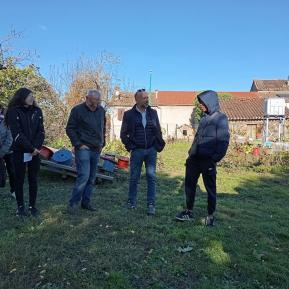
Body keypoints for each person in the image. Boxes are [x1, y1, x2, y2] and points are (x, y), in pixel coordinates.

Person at [176, 90, 230, 226]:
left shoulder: (221, 118)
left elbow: (224, 141)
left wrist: (214, 159)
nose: (200, 105)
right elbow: (197, 138)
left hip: (208, 161)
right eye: (200, 103)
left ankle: (210, 216)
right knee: (189, 185)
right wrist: (190, 155)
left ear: (210, 102)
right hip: (194, 160)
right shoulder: (204, 119)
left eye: (203, 103)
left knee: (210, 188)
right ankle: (188, 211)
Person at [120, 88, 165, 216]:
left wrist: (157, 145)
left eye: (147, 97)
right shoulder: (129, 114)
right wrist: (130, 146)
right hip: (137, 151)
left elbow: (158, 130)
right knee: (134, 177)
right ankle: (131, 202)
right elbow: (123, 134)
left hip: (151, 150)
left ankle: (151, 204)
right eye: (144, 98)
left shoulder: (153, 113)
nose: (147, 100)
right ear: (137, 99)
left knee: (151, 177)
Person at [6, 88, 45, 217]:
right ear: (21, 97)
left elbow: (41, 132)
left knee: (33, 179)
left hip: (35, 151)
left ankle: (32, 207)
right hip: (19, 151)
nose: (32, 98)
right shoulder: (13, 112)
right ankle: (20, 207)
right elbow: (17, 134)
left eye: (32, 95)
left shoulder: (37, 111)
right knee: (19, 179)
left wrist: (36, 148)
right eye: (29, 95)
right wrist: (30, 148)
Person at [66, 89, 106, 214]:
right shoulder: (77, 110)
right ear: (88, 98)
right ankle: (73, 204)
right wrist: (78, 144)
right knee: (84, 175)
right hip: (83, 148)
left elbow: (103, 127)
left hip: (96, 148)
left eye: (99, 100)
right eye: (96, 100)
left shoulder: (101, 111)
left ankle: (86, 202)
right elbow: (70, 128)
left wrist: (102, 143)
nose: (98, 102)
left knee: (92, 178)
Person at [0, 106, 15, 198]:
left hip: (9, 151)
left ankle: (14, 191)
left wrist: (1, 153)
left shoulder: (8, 123)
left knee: (12, 171)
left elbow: (9, 140)